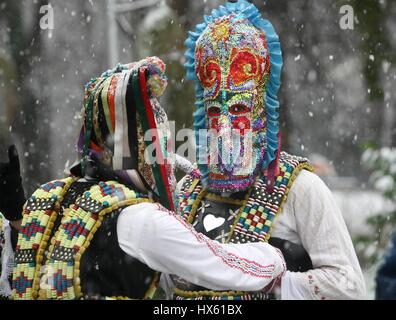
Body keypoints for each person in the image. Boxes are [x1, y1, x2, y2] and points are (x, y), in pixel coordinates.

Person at [0, 57, 290, 300]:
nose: (165, 150)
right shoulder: (138, 218)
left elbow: (25, 269)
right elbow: (221, 265)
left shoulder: (47, 196)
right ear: (136, 146)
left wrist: (14, 220)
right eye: (157, 138)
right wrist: (275, 257)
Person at [161, 0, 366, 300]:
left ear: (261, 109)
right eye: (216, 112)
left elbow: (349, 286)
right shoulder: (188, 190)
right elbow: (168, 285)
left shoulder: (300, 189)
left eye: (240, 108)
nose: (226, 128)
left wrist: (274, 283)